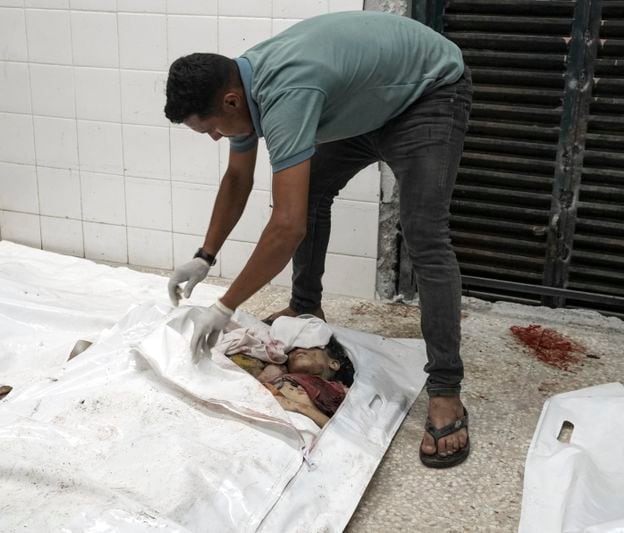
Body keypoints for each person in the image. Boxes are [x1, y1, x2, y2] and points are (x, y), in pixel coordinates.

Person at [164, 11, 471, 467]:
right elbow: (237, 177)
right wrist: (204, 257)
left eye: (209, 128)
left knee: (424, 234)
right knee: (309, 195)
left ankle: (446, 389)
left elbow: (287, 227)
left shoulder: (285, 93)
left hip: (428, 94)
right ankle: (305, 308)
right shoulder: (241, 92)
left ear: (229, 102)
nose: (213, 138)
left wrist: (223, 307)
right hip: (373, 100)